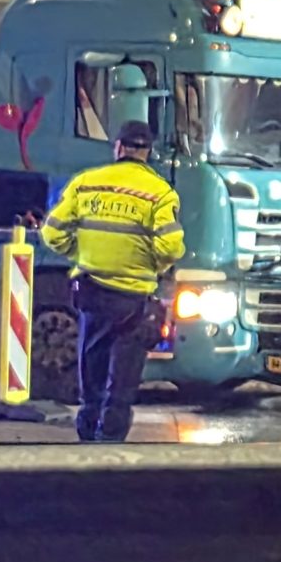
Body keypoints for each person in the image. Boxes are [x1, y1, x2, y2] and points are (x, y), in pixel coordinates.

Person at [40, 119, 187, 442]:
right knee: (122, 381)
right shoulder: (160, 193)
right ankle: (111, 445)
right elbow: (171, 247)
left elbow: (51, 232)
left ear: (118, 148)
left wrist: (80, 252)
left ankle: (87, 435)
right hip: (133, 299)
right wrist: (151, 267)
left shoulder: (86, 183)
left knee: (91, 366)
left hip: (92, 290)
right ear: (147, 153)